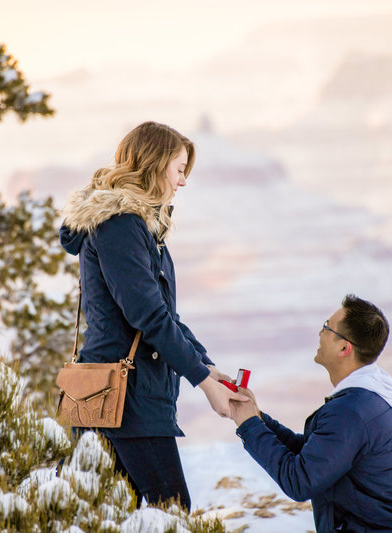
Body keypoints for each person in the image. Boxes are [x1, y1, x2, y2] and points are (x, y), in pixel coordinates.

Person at [59, 121, 245, 511]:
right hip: (126, 399)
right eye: (179, 169)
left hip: (118, 394)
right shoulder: (121, 224)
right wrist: (203, 383)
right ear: (156, 165)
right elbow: (148, 315)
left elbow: (164, 315)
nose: (182, 182)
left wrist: (206, 366)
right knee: (171, 510)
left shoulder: (137, 225)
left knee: (105, 514)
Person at [229, 294, 392, 532]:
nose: (320, 332)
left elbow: (299, 481)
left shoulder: (351, 412)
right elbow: (313, 455)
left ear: (344, 348)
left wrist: (249, 425)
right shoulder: (369, 399)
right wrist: (258, 418)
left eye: (327, 327)